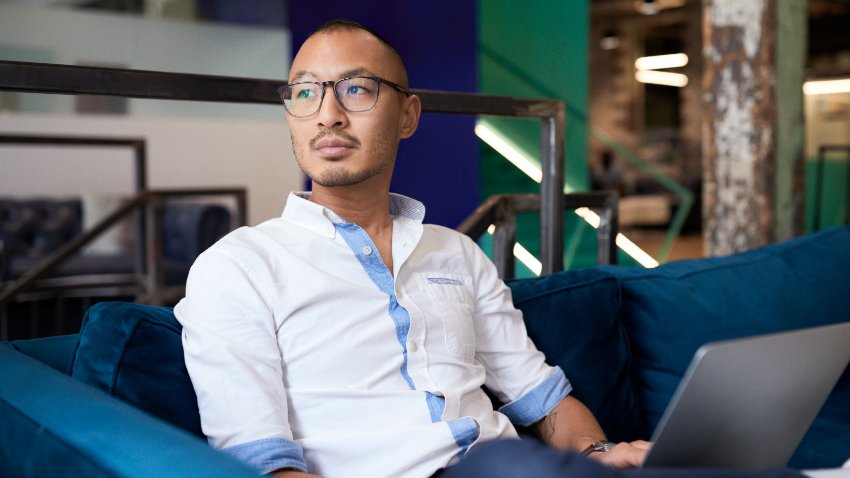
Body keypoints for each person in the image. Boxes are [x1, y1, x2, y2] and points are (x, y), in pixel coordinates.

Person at [174, 20, 800, 478]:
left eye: (356, 90)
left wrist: (600, 456)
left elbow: (545, 401)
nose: (327, 114)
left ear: (408, 115)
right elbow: (257, 461)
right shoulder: (237, 267)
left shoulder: (455, 254)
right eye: (305, 92)